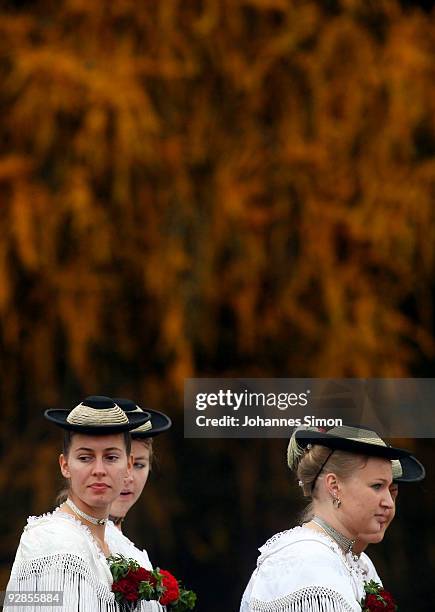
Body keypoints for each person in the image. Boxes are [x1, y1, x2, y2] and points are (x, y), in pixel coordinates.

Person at [5, 396, 164, 611]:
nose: (99, 470)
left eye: (111, 457)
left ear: (128, 465)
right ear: (65, 465)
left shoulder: (124, 548)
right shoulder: (52, 542)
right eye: (85, 457)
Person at [240, 424, 422, 612]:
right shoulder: (307, 561)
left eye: (392, 490)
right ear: (334, 486)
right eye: (377, 486)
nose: (389, 503)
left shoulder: (358, 562)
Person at [105, 398, 172, 569]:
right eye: (114, 460)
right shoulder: (66, 540)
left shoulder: (125, 545)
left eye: (138, 464)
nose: (128, 477)